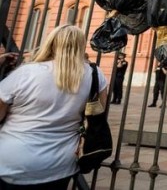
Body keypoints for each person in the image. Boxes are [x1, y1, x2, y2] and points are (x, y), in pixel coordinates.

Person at [0, 24, 108, 188]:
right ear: (81, 45)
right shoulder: (95, 74)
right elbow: (97, 112)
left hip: (13, 161)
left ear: (50, 43)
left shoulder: (26, 72)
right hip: (60, 165)